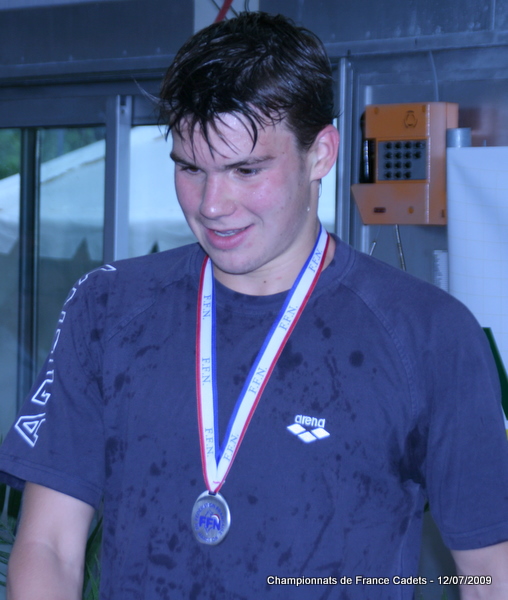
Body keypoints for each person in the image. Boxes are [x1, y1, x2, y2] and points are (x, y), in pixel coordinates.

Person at [1, 11, 508, 600]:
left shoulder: (427, 333)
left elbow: (490, 573)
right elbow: (49, 546)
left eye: (245, 169)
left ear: (321, 154)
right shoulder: (108, 307)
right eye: (190, 168)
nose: (212, 204)